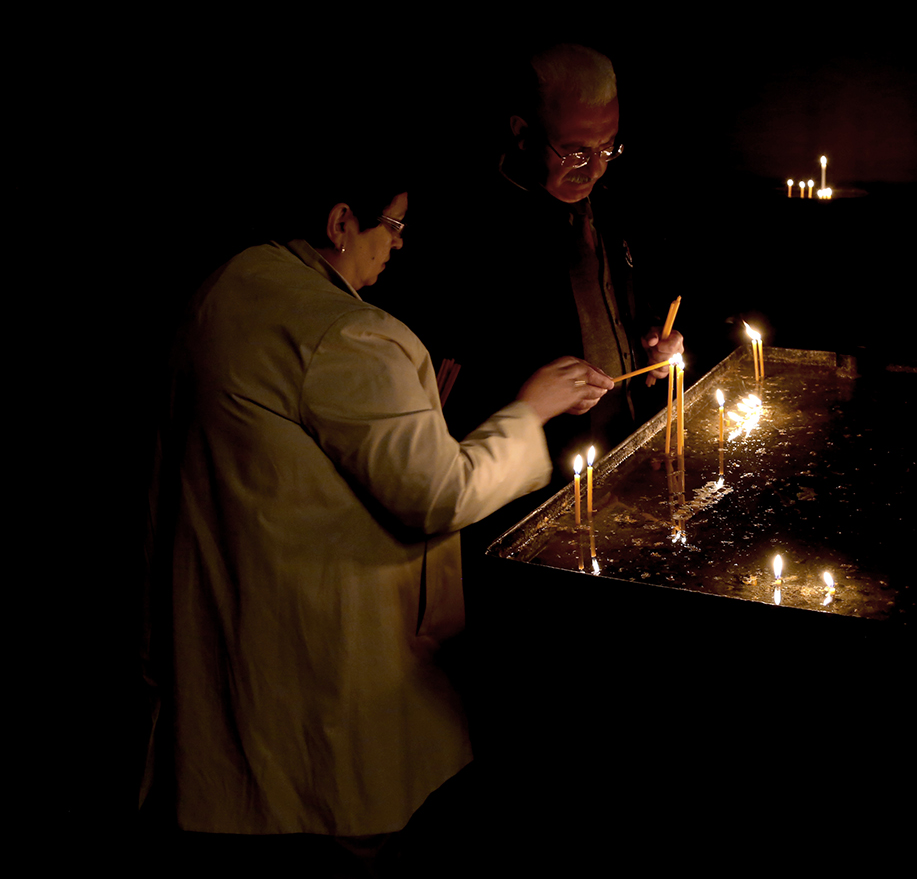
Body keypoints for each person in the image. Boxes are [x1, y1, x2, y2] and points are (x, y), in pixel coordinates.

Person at [142, 158, 614, 864]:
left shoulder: (229, 285)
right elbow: (441, 493)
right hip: (322, 664)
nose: (399, 243)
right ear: (340, 222)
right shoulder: (354, 335)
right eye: (392, 224)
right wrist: (531, 407)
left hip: (227, 638)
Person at [373, 44, 684, 532]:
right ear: (522, 134)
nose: (595, 167)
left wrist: (650, 342)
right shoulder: (470, 231)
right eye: (577, 150)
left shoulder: (612, 197)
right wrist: (540, 395)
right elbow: (440, 397)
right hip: (536, 497)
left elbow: (622, 294)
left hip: (630, 458)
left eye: (608, 148)